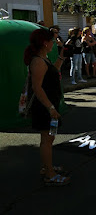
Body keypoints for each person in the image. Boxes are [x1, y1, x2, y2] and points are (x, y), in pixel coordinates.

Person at [24, 29, 70, 186]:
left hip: (49, 105)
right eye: (52, 40)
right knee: (47, 140)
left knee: (49, 138)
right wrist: (50, 108)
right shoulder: (37, 61)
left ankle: (47, 167)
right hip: (44, 107)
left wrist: (61, 56)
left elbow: (54, 71)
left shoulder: (44, 58)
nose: (54, 43)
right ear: (45, 42)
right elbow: (37, 88)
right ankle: (50, 174)